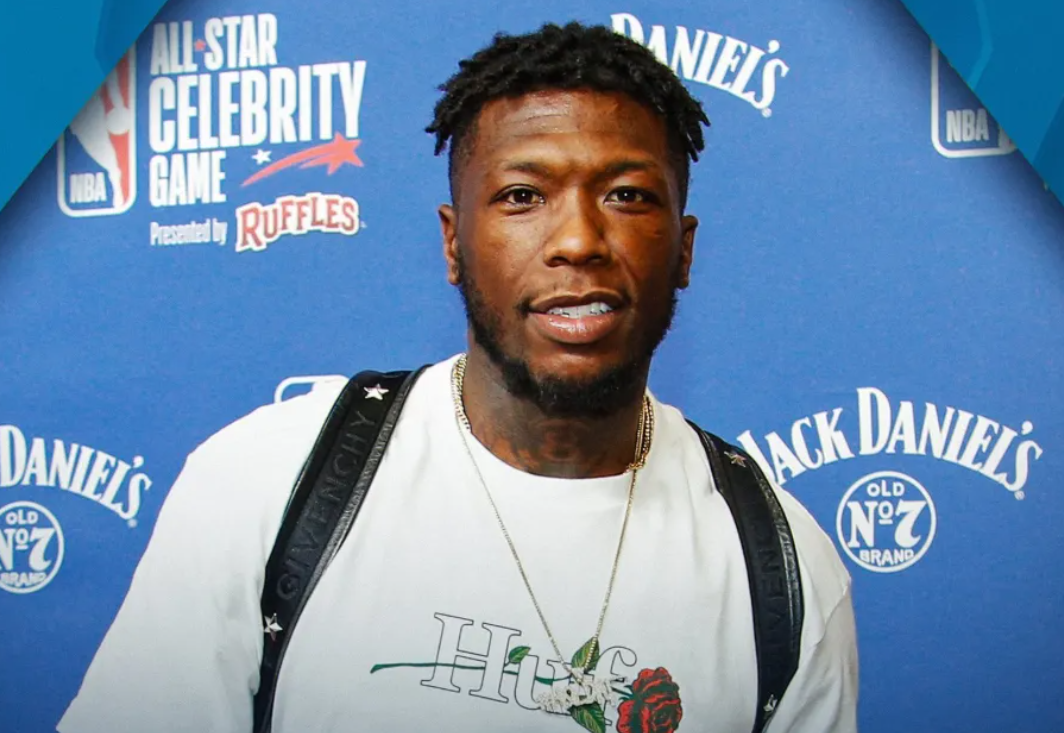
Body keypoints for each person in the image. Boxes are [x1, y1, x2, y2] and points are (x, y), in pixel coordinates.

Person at [58, 22, 858, 733]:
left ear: (683, 249)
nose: (578, 239)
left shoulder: (783, 566)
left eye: (626, 194)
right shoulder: (265, 482)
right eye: (522, 195)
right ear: (453, 243)